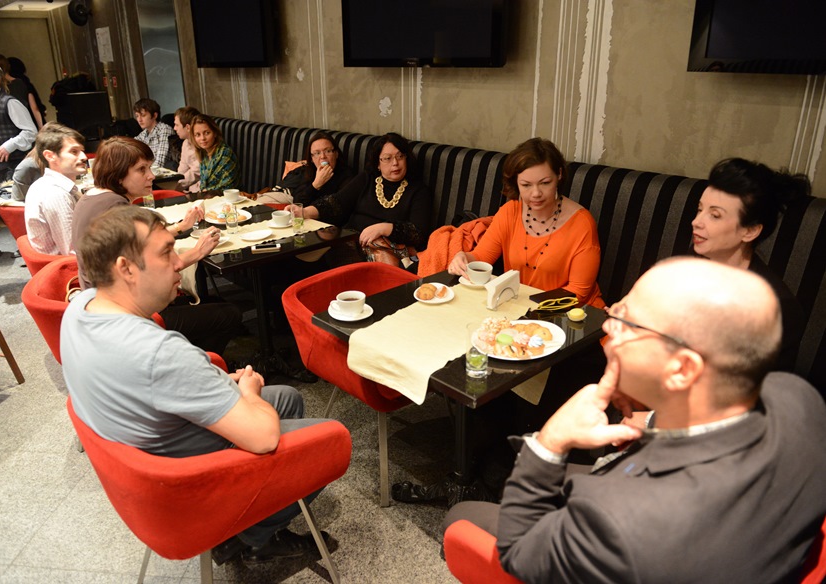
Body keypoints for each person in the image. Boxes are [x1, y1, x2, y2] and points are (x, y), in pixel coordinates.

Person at [443, 257, 826, 583]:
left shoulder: (617, 520)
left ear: (682, 369)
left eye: (628, 321)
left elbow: (520, 552)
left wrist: (550, 442)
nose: (609, 324)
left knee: (462, 516)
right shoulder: (800, 398)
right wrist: (655, 417)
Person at [61, 205, 336, 564]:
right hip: (190, 485)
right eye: (166, 253)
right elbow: (264, 437)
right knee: (327, 440)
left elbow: (159, 382)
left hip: (148, 464)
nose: (179, 263)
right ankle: (250, 536)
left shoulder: (80, 307)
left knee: (286, 397)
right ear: (125, 269)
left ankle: (258, 521)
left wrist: (211, 382)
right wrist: (248, 393)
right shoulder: (159, 352)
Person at [71, 136, 241, 356]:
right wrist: (197, 252)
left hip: (101, 305)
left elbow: (136, 242)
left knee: (211, 301)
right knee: (229, 313)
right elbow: (153, 270)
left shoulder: (92, 197)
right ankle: (192, 363)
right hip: (128, 317)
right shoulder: (116, 207)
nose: (151, 175)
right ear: (118, 174)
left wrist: (180, 227)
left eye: (149, 168)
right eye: (141, 169)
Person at [448, 138, 604, 307]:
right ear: (516, 182)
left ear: (559, 175)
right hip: (519, 306)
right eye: (526, 185)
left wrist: (529, 312)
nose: (536, 193)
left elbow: (578, 292)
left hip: (571, 312)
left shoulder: (582, 224)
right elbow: (481, 257)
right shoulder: (510, 212)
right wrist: (463, 258)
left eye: (545, 183)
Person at [692, 157, 808, 372]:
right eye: (700, 210)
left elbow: (761, 384)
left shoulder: (775, 308)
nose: (696, 222)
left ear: (750, 231)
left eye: (715, 215)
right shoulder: (688, 269)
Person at [289, 132, 432, 260]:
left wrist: (383, 228)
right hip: (351, 243)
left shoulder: (419, 190)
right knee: (301, 251)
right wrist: (304, 212)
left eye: (400, 156)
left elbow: (418, 233)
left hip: (386, 250)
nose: (395, 163)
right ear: (378, 163)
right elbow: (337, 202)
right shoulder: (367, 179)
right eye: (387, 158)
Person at [24, 123, 87, 255]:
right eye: (74, 152)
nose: (84, 157)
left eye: (82, 151)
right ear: (50, 156)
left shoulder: (45, 184)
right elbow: (73, 252)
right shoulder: (56, 194)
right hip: (69, 266)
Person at [265, 132, 354, 206]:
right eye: (317, 153)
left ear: (336, 154)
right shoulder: (309, 171)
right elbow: (298, 202)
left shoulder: (346, 175)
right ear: (312, 159)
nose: (323, 156)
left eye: (328, 151)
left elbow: (338, 206)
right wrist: (316, 184)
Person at [191, 114, 240, 193]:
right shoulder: (203, 153)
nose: (202, 138)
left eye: (207, 133)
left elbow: (228, 186)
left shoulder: (225, 154)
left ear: (215, 133)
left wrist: (205, 191)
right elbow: (203, 184)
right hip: (208, 196)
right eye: (198, 135)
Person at [0, 55, 43, 130]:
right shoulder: (21, 83)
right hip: (26, 123)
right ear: (8, 66)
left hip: (8, 127)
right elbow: (34, 108)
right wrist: (40, 127)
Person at [8, 57, 47, 129]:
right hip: (33, 119)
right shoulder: (26, 82)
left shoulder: (15, 84)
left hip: (26, 120)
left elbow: (33, 106)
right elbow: (35, 104)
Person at [132, 97, 172, 169]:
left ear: (154, 115)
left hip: (163, 172)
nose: (139, 120)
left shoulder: (164, 129)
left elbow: (160, 162)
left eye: (143, 115)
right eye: (137, 116)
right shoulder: (142, 134)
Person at [173, 106, 200, 194]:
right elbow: (182, 170)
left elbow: (196, 173)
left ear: (188, 127)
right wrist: (173, 182)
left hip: (202, 191)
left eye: (177, 125)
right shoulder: (185, 143)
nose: (174, 128)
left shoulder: (203, 143)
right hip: (190, 190)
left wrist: (173, 187)